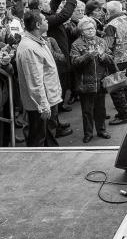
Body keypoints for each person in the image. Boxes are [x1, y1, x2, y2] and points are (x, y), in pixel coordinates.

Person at [15, 10, 63, 146]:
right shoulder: (29, 48)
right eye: (45, 20)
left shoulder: (38, 41)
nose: (48, 21)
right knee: (38, 140)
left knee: (47, 137)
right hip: (41, 105)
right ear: (37, 24)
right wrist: (43, 106)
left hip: (48, 99)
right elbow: (34, 81)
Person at [70, 17, 114, 143]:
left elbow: (110, 58)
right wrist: (89, 55)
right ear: (82, 31)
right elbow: (74, 63)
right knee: (87, 111)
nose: (91, 30)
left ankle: (101, 130)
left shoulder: (101, 41)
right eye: (88, 29)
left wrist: (102, 55)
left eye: (93, 28)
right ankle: (88, 133)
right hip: (85, 83)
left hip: (101, 81)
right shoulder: (76, 44)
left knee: (100, 109)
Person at [104, 0, 127, 125]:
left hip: (116, 61)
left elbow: (108, 45)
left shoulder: (111, 25)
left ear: (108, 11)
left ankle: (124, 115)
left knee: (116, 89)